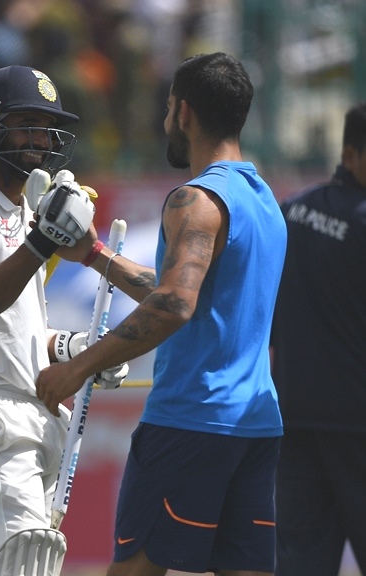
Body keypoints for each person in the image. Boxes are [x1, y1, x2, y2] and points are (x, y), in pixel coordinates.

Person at [36, 52, 286, 576]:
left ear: (186, 113)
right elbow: (181, 291)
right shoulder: (263, 202)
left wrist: (75, 368)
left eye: (170, 107)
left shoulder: (194, 200)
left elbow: (174, 304)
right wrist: (95, 255)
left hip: (191, 423)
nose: (167, 119)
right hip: (255, 428)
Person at [0, 64, 128, 576]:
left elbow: (16, 333)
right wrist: (44, 242)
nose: (41, 139)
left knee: (20, 565)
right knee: (18, 563)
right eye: (27, 123)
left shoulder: (22, 217)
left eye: (48, 126)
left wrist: (75, 350)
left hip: (30, 415)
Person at [271, 102, 366, 576]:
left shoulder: (290, 211)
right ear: (351, 154)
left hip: (296, 423)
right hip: (356, 431)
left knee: (300, 565)